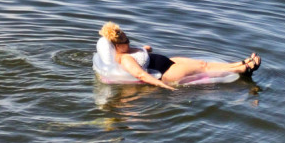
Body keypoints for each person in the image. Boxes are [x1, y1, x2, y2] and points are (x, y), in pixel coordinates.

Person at [99, 22, 260, 90]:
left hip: (169, 62)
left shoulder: (127, 50)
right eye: (125, 40)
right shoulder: (125, 59)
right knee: (204, 69)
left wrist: (144, 49)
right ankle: (243, 69)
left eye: (127, 37)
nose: (128, 41)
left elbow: (142, 52)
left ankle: (241, 63)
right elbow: (141, 75)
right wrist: (164, 86)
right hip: (167, 72)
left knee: (203, 63)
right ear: (117, 46)